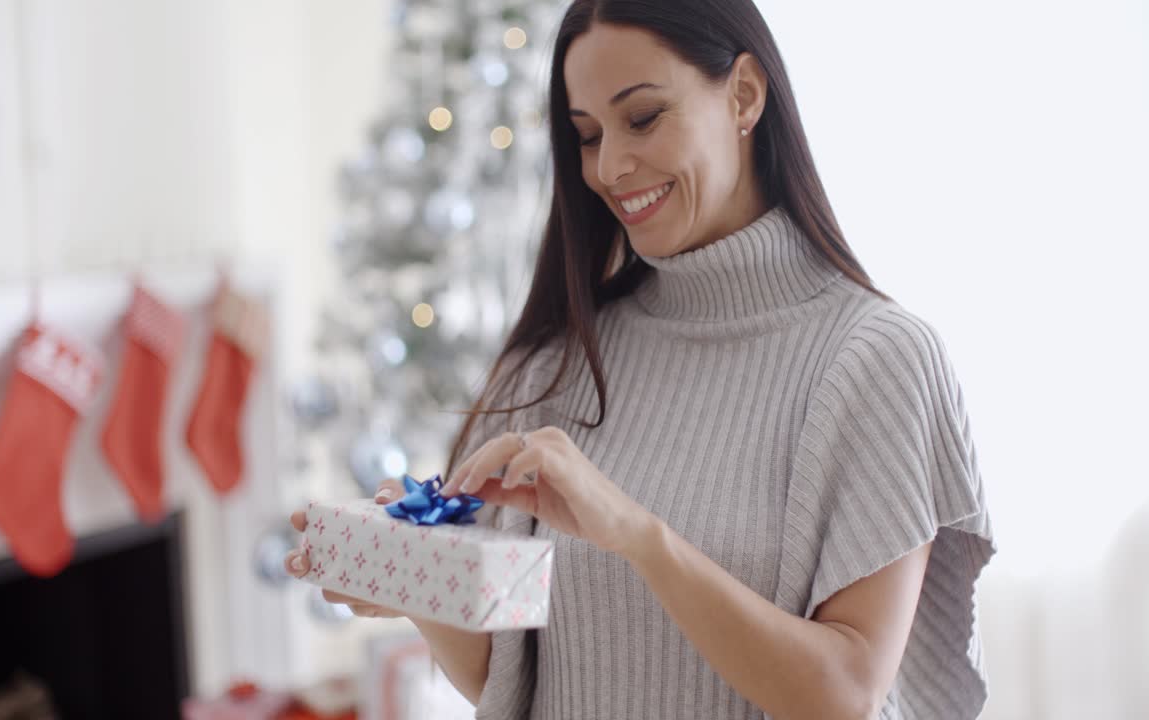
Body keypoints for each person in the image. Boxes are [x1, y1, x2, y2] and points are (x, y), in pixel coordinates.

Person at [286, 1, 995, 718]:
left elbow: (843, 693)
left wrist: (638, 536)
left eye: (644, 117)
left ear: (745, 93)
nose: (610, 168)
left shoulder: (876, 361)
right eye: (586, 135)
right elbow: (509, 681)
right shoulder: (558, 363)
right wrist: (417, 578)